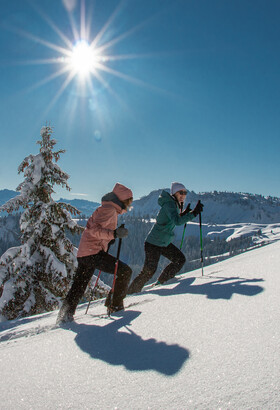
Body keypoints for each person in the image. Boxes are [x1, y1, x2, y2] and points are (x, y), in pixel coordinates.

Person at [57, 183, 133, 324]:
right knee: (125, 271)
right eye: (129, 201)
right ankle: (114, 305)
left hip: (85, 252)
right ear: (123, 200)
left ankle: (64, 315)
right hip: (93, 252)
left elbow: (94, 230)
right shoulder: (109, 210)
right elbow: (94, 229)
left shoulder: (107, 207)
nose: (130, 204)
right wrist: (114, 234)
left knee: (79, 285)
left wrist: (109, 238)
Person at [127, 182, 203, 294]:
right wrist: (193, 213)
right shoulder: (170, 204)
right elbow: (176, 221)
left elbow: (172, 218)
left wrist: (185, 213)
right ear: (174, 193)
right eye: (180, 192)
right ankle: (131, 292)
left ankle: (163, 281)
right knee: (149, 271)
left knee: (179, 260)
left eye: (185, 192)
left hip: (162, 242)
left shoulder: (173, 204)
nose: (183, 195)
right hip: (154, 243)